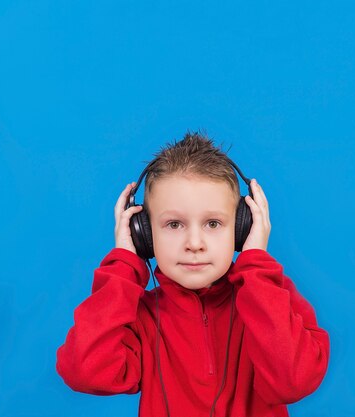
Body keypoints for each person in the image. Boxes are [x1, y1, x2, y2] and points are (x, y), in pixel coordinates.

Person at [56, 132, 330, 417]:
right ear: (144, 234)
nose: (195, 243)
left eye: (213, 223)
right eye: (174, 224)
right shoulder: (140, 317)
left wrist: (257, 267)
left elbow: (294, 382)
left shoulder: (273, 296)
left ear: (242, 227)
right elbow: (84, 372)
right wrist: (124, 265)